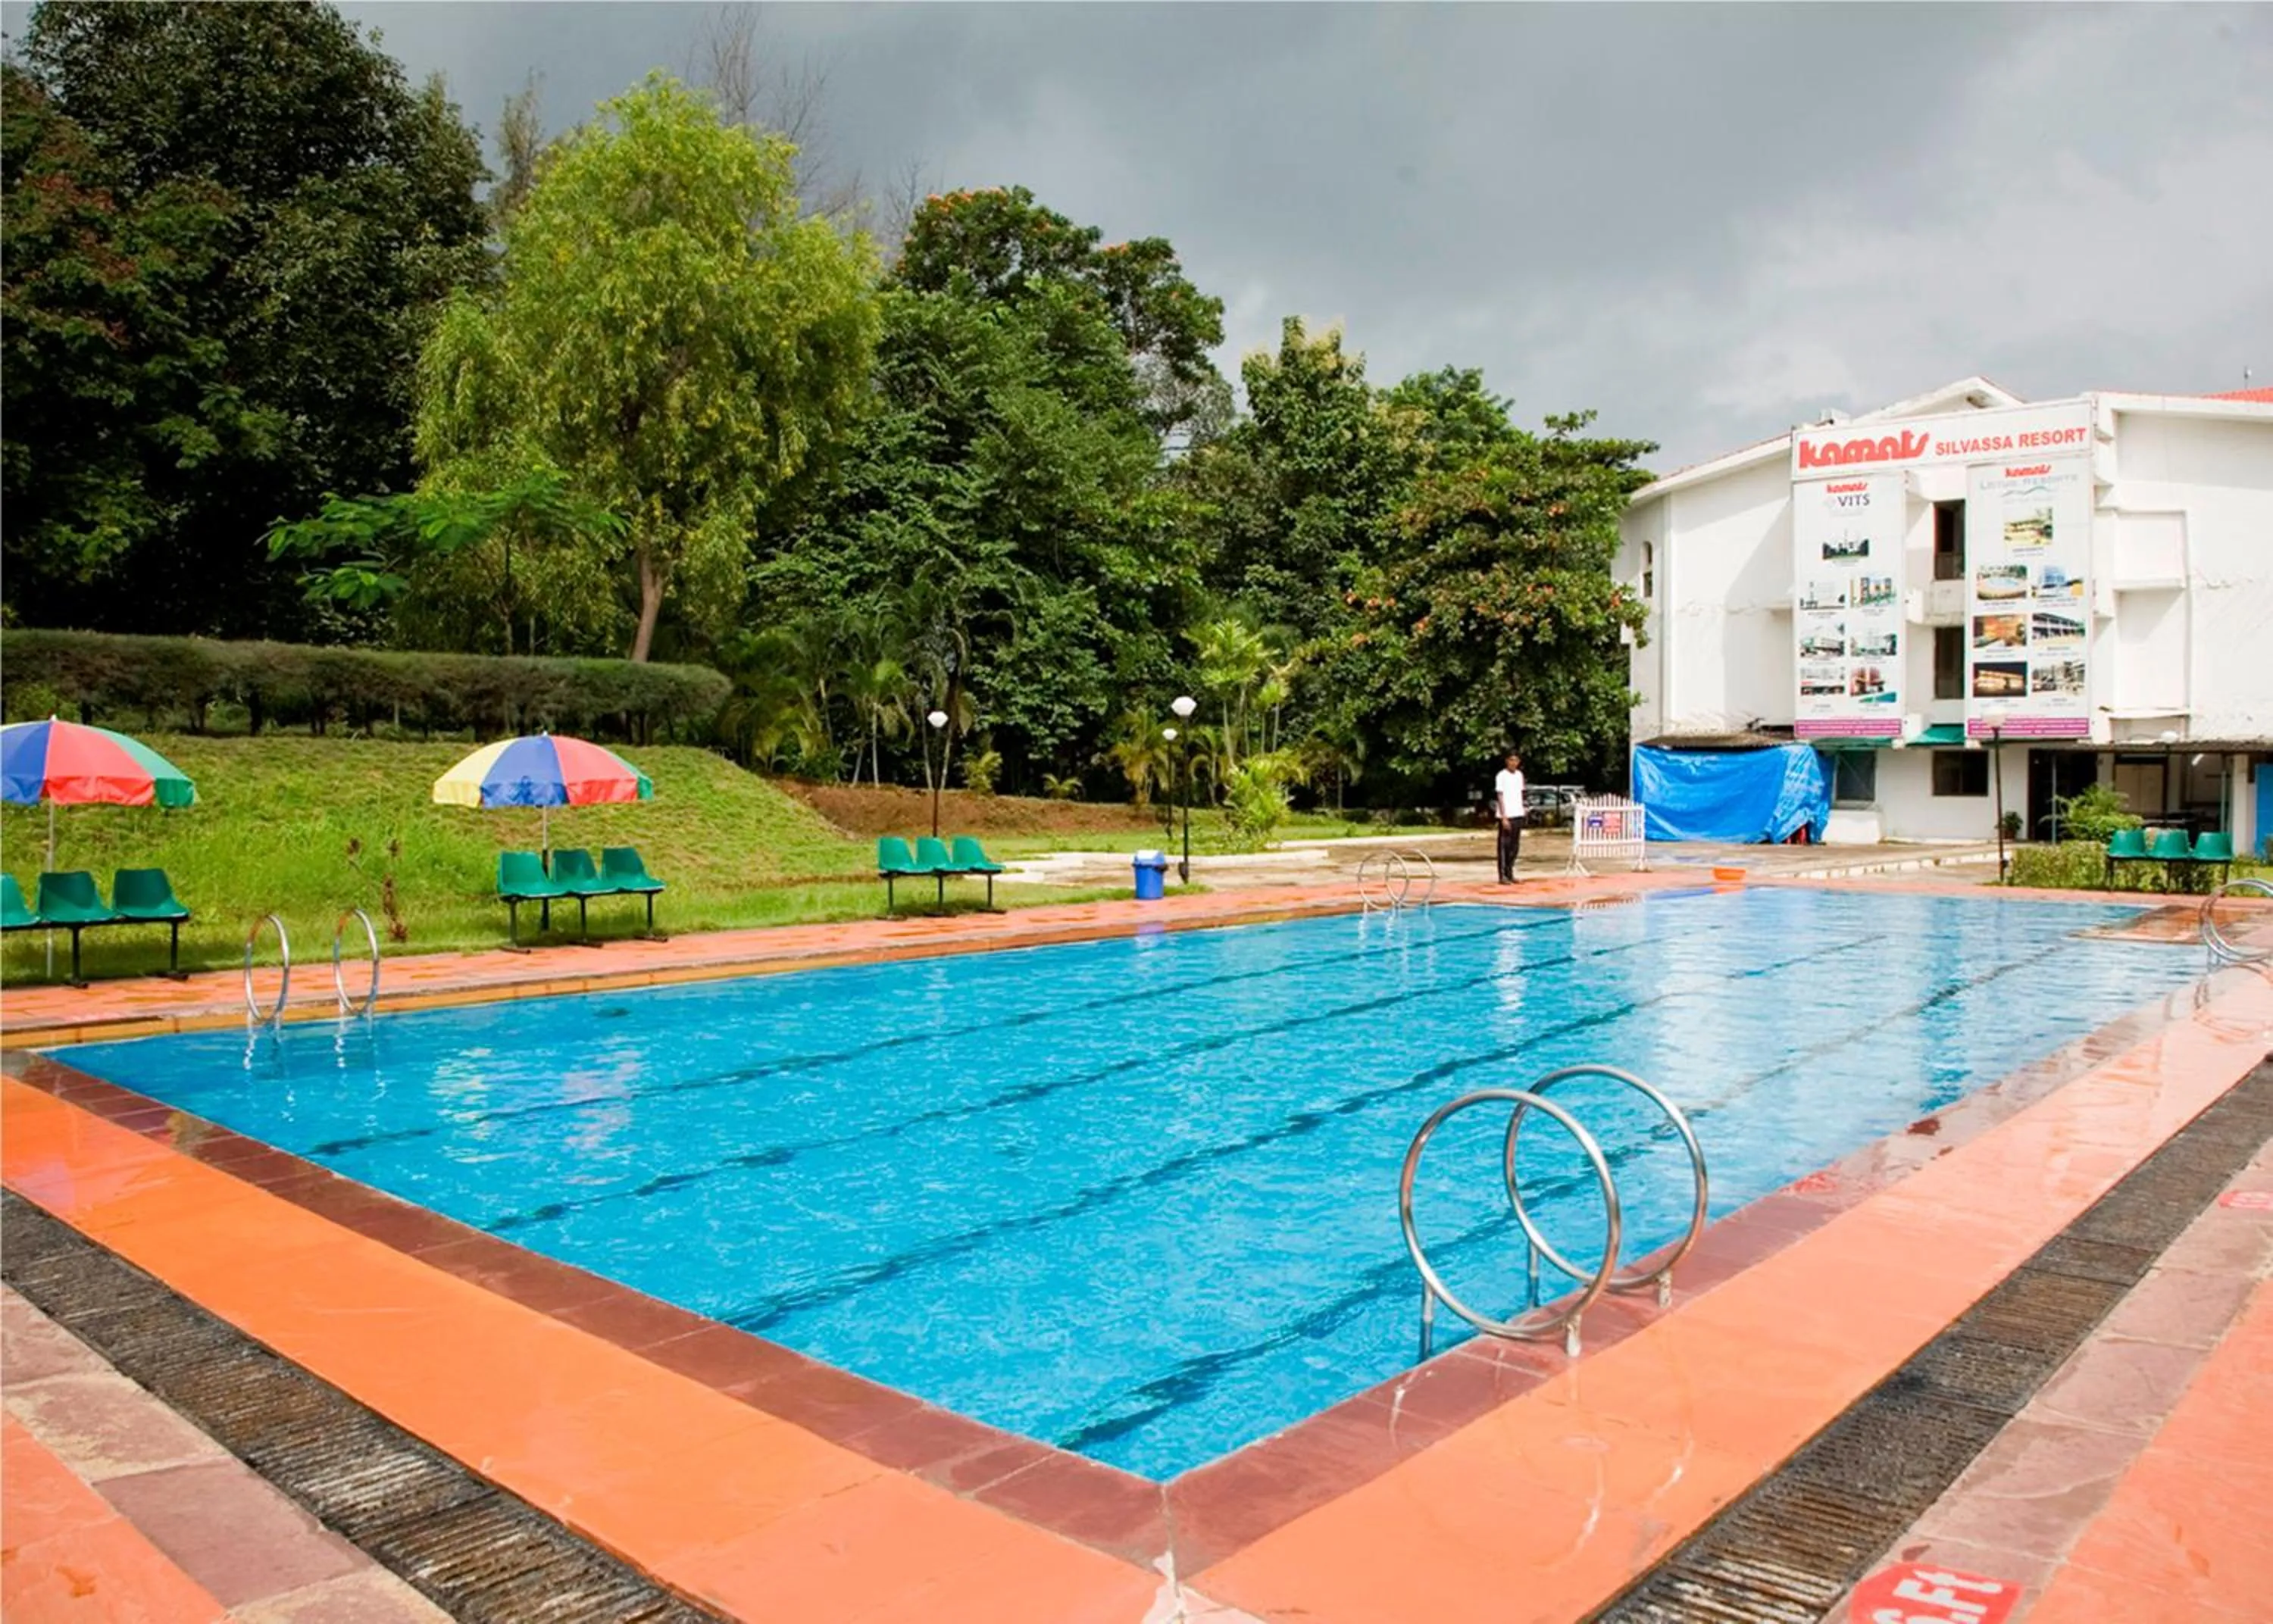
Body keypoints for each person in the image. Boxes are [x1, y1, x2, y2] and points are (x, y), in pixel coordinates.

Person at [1493, 751, 1526, 883]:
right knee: (1504, 845)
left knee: (1515, 846)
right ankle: (1502, 875)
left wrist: (1524, 808)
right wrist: (1504, 816)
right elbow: (1500, 796)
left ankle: (1510, 871)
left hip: (1518, 813)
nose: (1514, 763)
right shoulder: (1502, 775)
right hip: (1507, 814)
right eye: (1511, 760)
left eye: (1516, 760)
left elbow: (1521, 793)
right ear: (1507, 761)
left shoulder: (1519, 775)